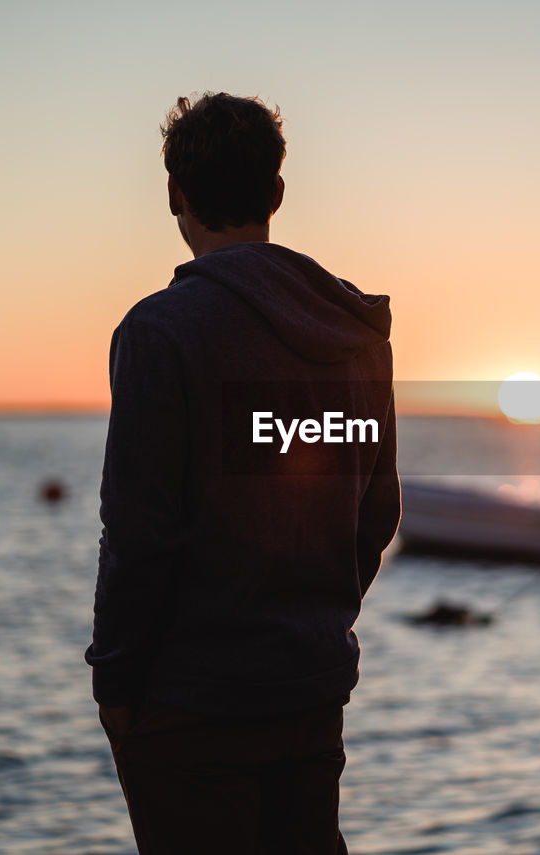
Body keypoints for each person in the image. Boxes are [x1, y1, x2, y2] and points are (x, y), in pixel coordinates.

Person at [85, 91, 401, 854]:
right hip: (310, 688)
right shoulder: (355, 338)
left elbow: (140, 532)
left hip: (191, 702)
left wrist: (116, 682)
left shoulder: (159, 333)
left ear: (174, 195)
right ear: (277, 193)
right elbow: (374, 514)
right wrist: (312, 620)